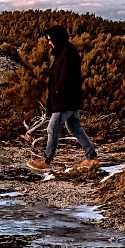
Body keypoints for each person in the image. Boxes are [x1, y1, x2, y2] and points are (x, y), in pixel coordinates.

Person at [32, 25, 98, 172]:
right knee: (75, 128)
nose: (49, 42)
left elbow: (66, 80)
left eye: (50, 39)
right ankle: (91, 157)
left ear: (57, 39)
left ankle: (46, 160)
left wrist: (57, 95)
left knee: (53, 128)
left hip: (65, 101)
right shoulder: (64, 52)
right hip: (69, 100)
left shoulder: (67, 54)